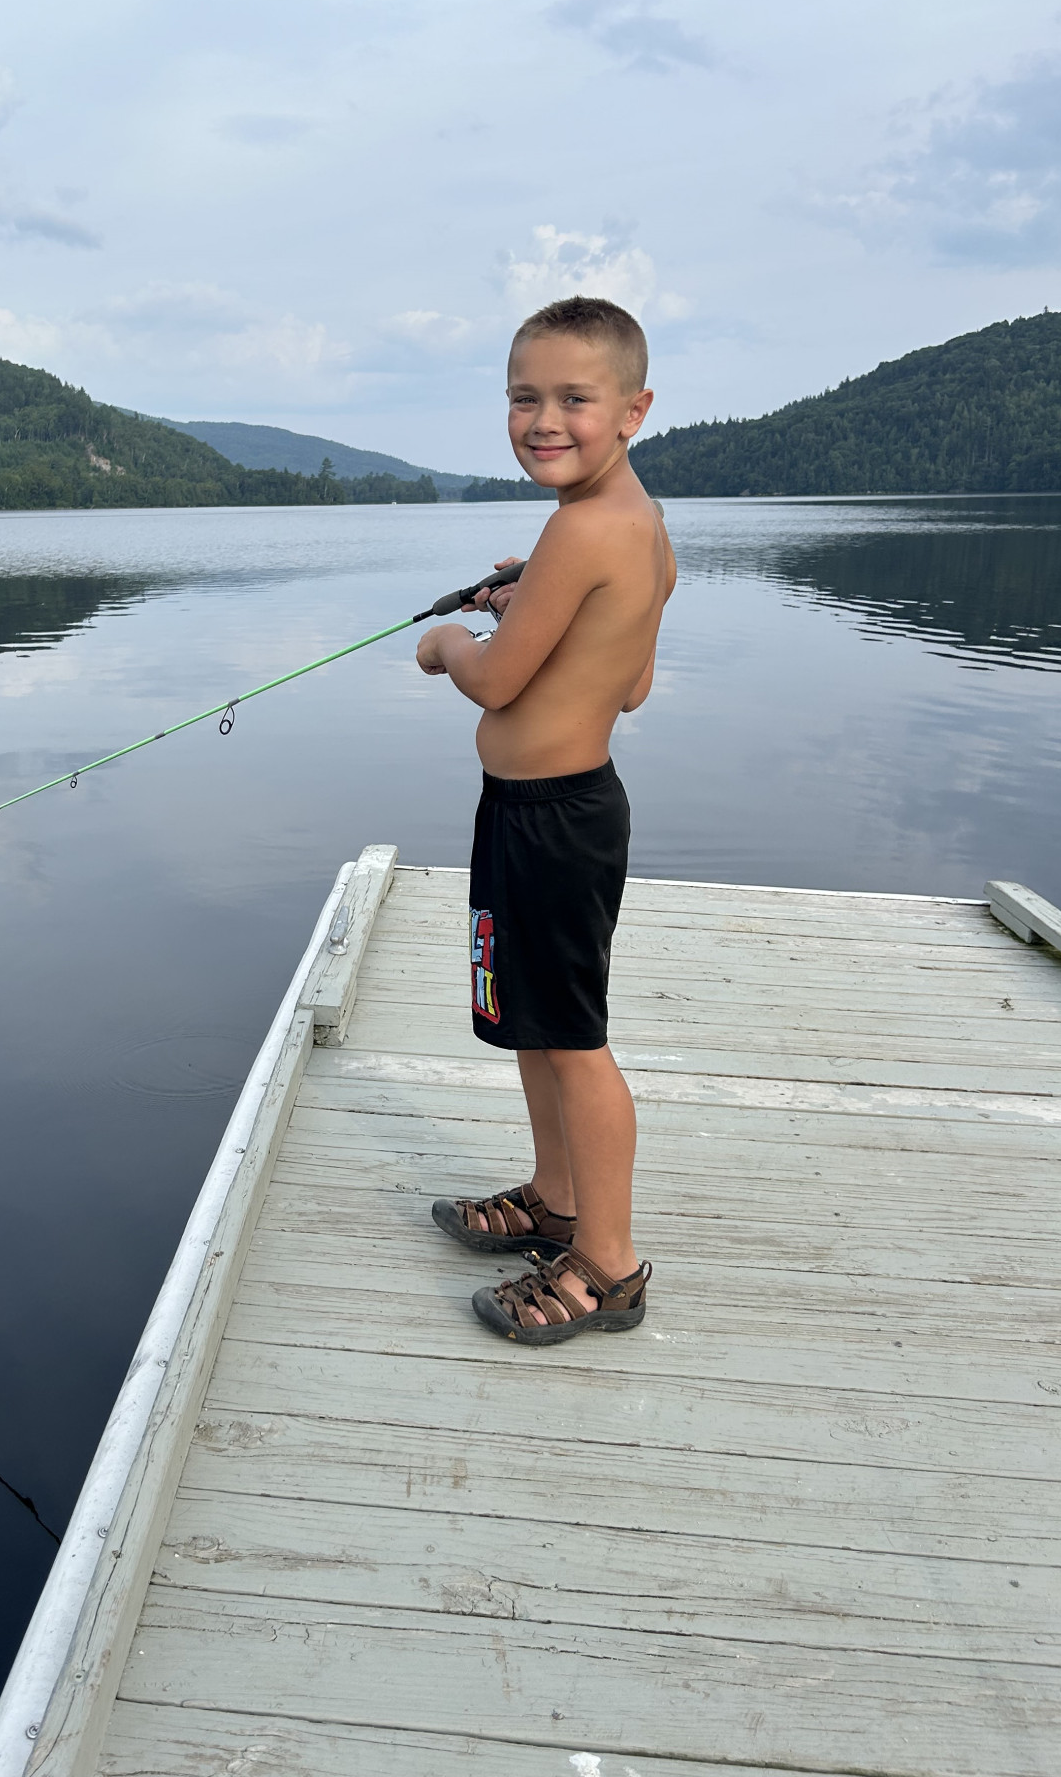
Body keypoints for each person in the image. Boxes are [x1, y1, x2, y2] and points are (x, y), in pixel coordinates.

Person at [416, 294, 675, 1344]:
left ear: (634, 409)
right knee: (533, 1018)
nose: (544, 420)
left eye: (575, 398)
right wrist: (532, 600)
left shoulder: (578, 527)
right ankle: (556, 1201)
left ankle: (607, 1265)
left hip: (552, 823)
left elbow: (495, 682)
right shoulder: (641, 528)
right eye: (525, 398)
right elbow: (632, 684)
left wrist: (449, 643)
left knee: (573, 1040)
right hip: (557, 810)